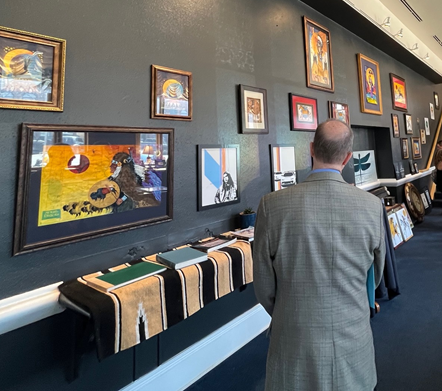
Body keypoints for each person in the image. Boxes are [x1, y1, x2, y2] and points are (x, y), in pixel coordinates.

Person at [253, 119, 386, 391]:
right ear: (348, 158)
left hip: (293, 337)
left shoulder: (271, 206)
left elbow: (264, 286)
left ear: (311, 148)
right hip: (353, 337)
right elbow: (375, 275)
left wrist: (290, 311)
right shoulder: (372, 206)